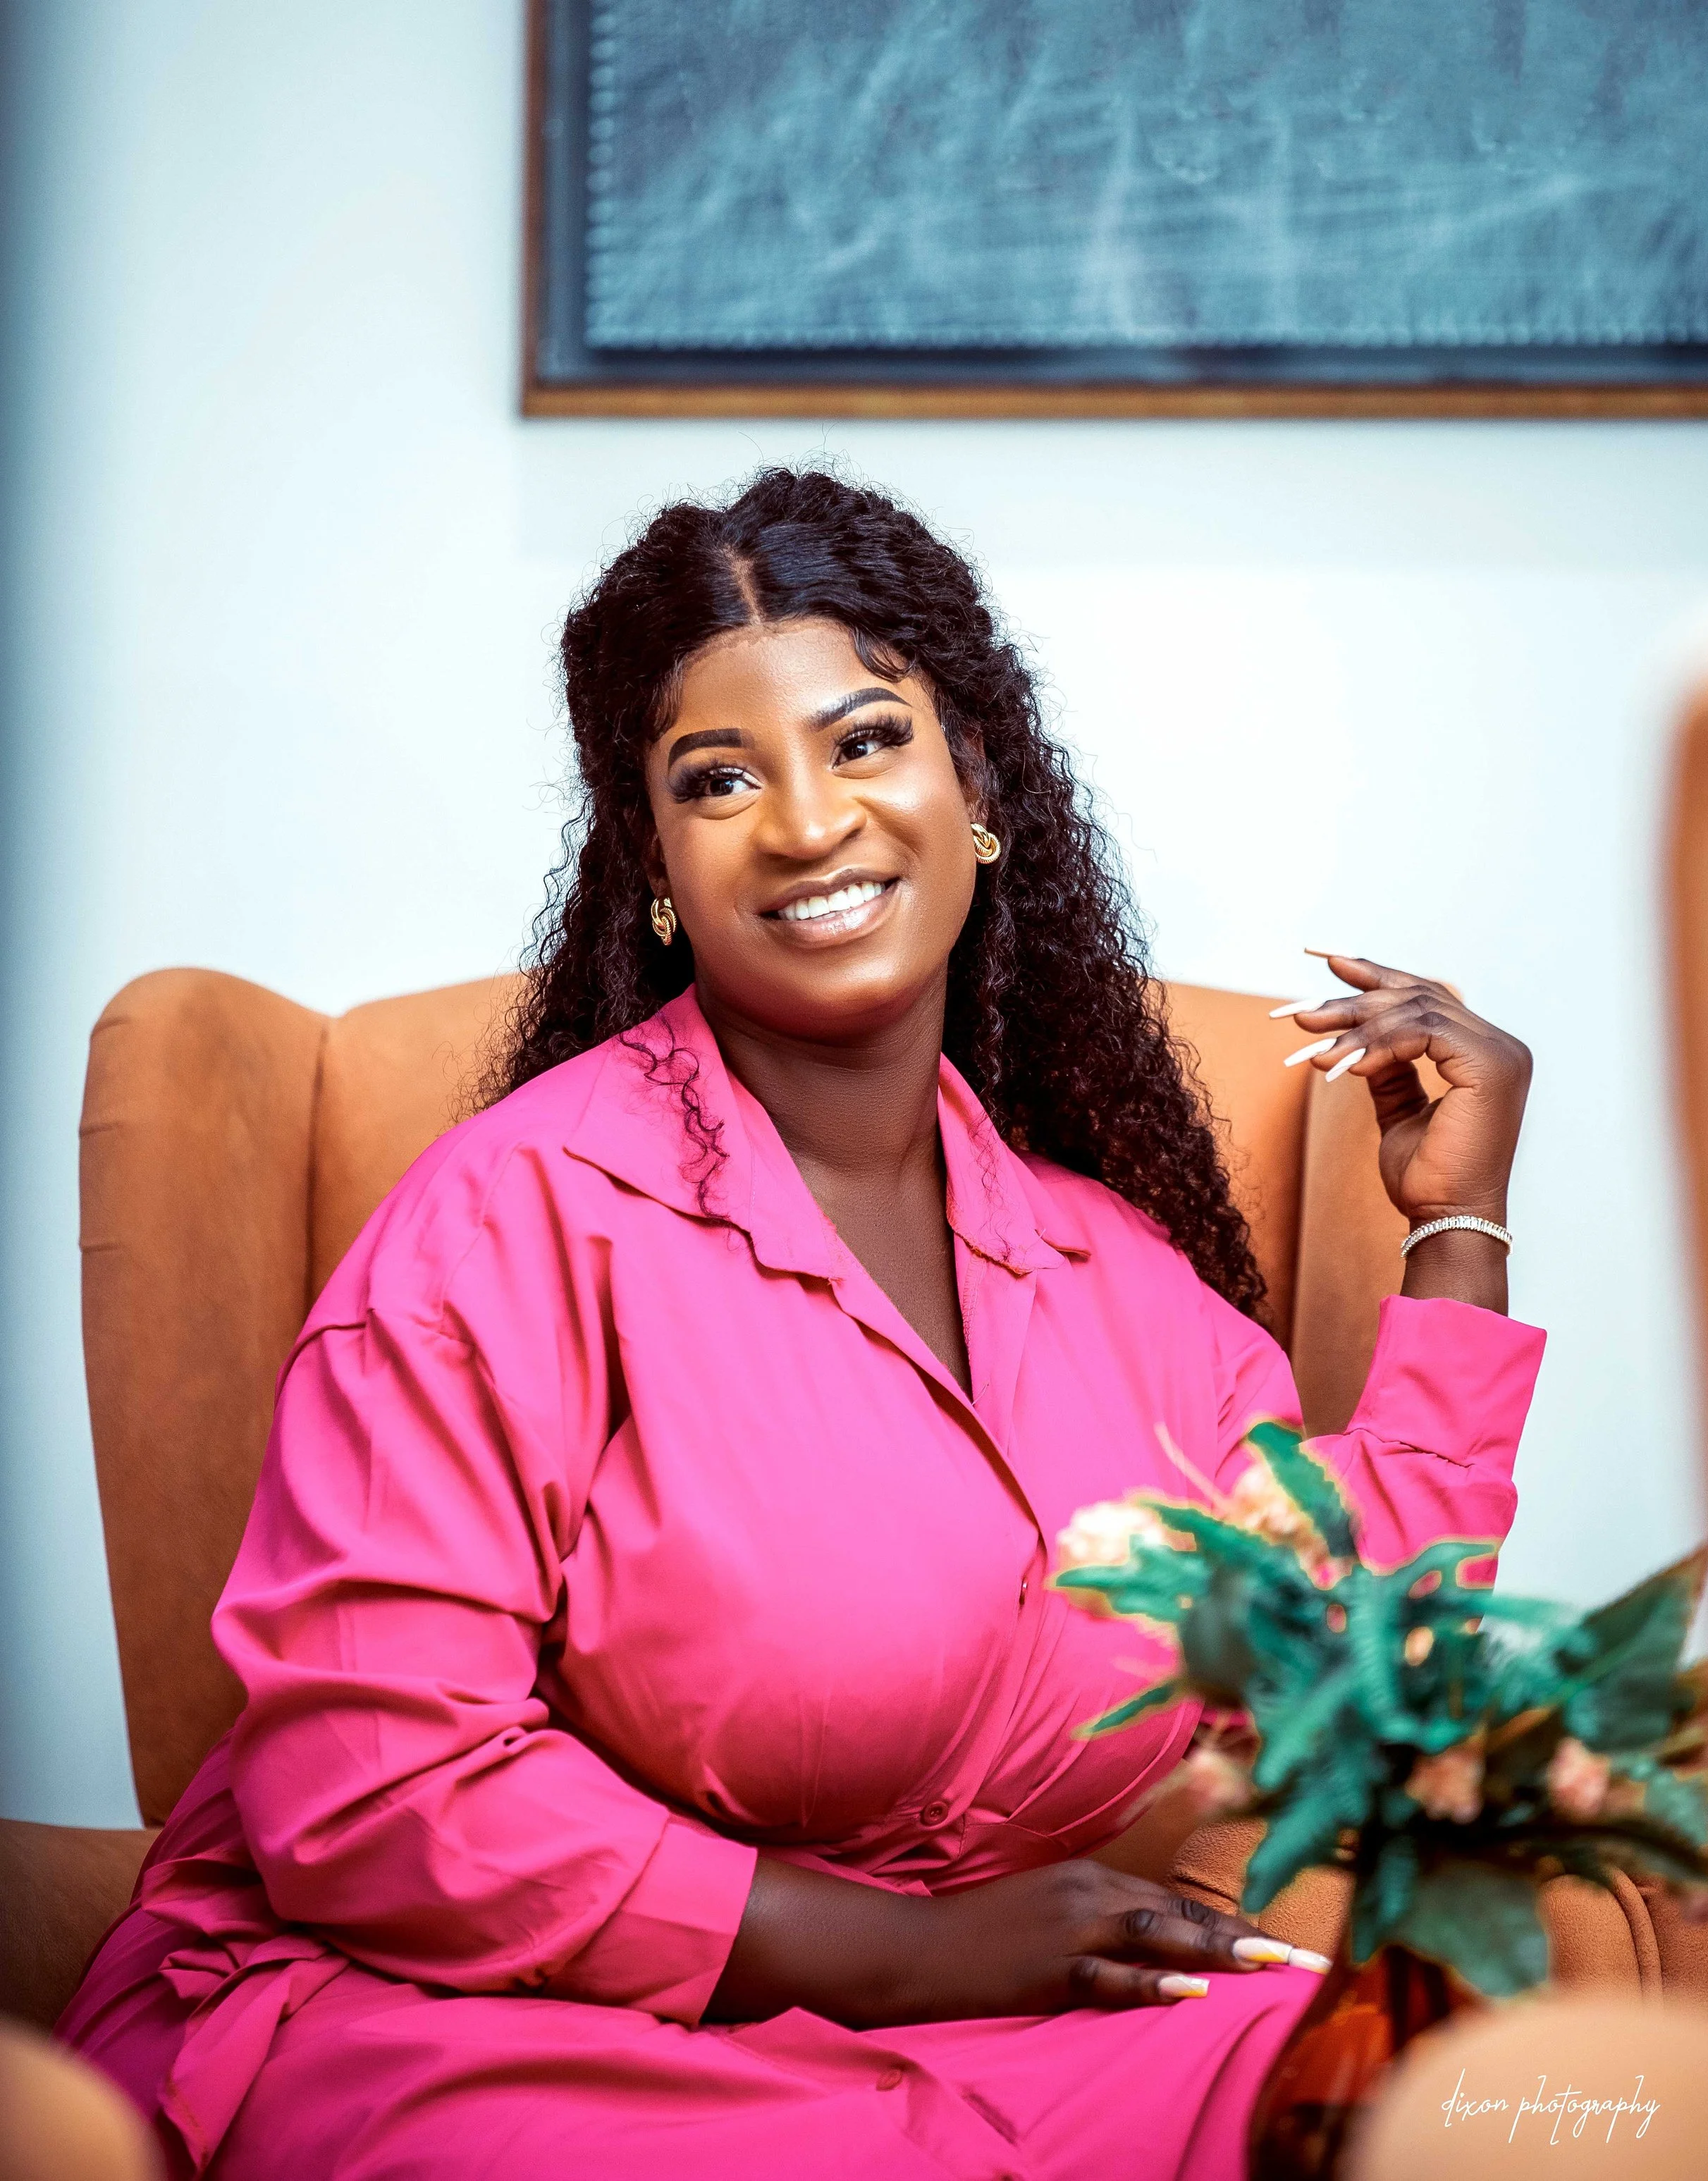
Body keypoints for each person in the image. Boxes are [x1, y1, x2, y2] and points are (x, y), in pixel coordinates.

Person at [61, 468, 1543, 2179]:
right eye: (719, 777)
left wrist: (1453, 1222)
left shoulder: (1121, 1282)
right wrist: (908, 1951)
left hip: (962, 2038)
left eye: (864, 741)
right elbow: (373, 1779)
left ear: (972, 781)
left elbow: (1345, 1658)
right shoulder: (505, 1223)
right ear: (655, 861)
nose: (804, 821)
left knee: (1414, 2084)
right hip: (487, 2018)